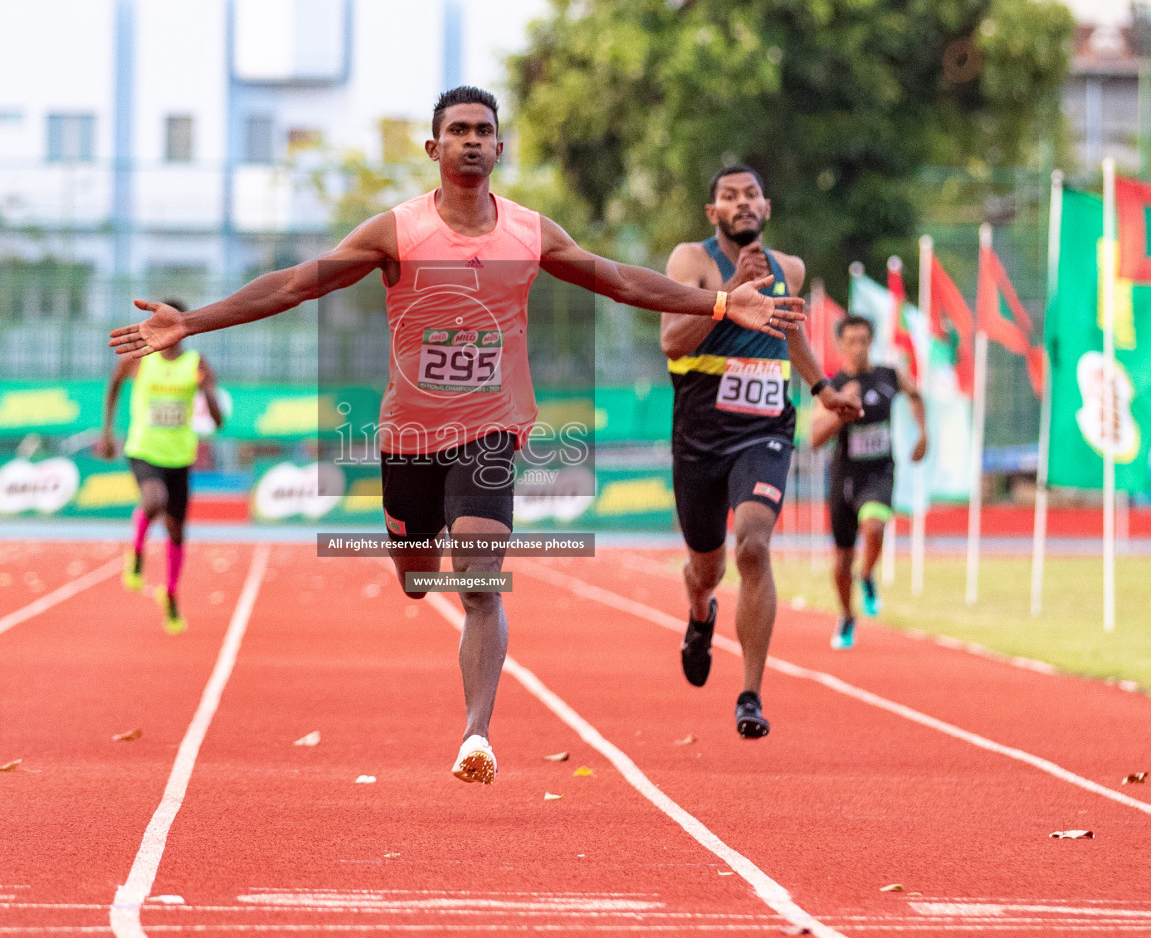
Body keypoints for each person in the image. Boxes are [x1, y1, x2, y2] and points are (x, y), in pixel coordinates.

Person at [111, 86, 804, 784]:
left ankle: (477, 735)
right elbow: (297, 285)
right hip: (409, 436)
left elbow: (621, 281)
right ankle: (417, 562)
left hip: (491, 431)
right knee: (416, 578)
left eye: (484, 130)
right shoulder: (397, 231)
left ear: (499, 148)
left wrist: (720, 302)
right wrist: (192, 321)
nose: (472, 140)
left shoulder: (531, 232)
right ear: (434, 148)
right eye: (459, 130)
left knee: (479, 578)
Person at [660, 165, 862, 739]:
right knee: (708, 567)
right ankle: (701, 615)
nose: (741, 203)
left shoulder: (789, 269)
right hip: (700, 435)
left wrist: (823, 389)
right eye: (729, 196)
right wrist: (726, 297)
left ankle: (750, 693)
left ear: (766, 209)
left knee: (753, 545)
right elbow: (672, 341)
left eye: (751, 195)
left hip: (765, 430)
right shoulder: (690, 263)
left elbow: (792, 331)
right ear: (713, 213)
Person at [97, 298, 225, 636]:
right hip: (144, 448)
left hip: (180, 456)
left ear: (181, 327)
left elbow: (218, 419)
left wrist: (204, 391)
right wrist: (107, 433)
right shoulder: (140, 360)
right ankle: (136, 552)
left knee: (177, 531)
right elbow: (113, 386)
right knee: (154, 501)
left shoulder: (197, 364)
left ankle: (169, 593)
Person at [810, 314, 927, 649]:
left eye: (864, 340)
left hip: (879, 472)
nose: (858, 347)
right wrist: (841, 407)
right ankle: (847, 615)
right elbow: (815, 438)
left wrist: (923, 433)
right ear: (840, 344)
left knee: (874, 528)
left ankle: (867, 575)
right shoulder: (831, 385)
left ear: (871, 341)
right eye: (851, 341)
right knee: (842, 561)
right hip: (844, 477)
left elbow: (915, 395)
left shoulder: (888, 376)